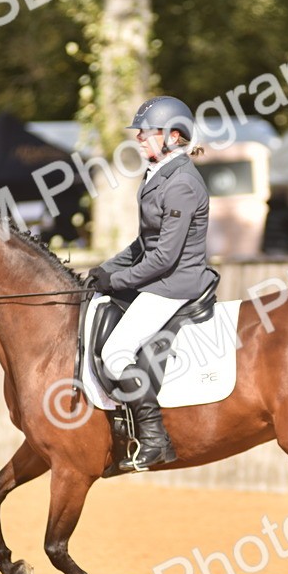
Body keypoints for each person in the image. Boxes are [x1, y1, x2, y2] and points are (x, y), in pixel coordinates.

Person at [85, 96, 218, 471]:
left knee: (115, 354)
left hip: (176, 284)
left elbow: (165, 258)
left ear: (174, 136)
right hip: (161, 276)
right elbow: (145, 244)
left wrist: (117, 281)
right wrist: (104, 270)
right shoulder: (158, 175)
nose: (140, 139)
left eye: (147, 133)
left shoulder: (182, 185)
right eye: (140, 133)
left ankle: (154, 438)